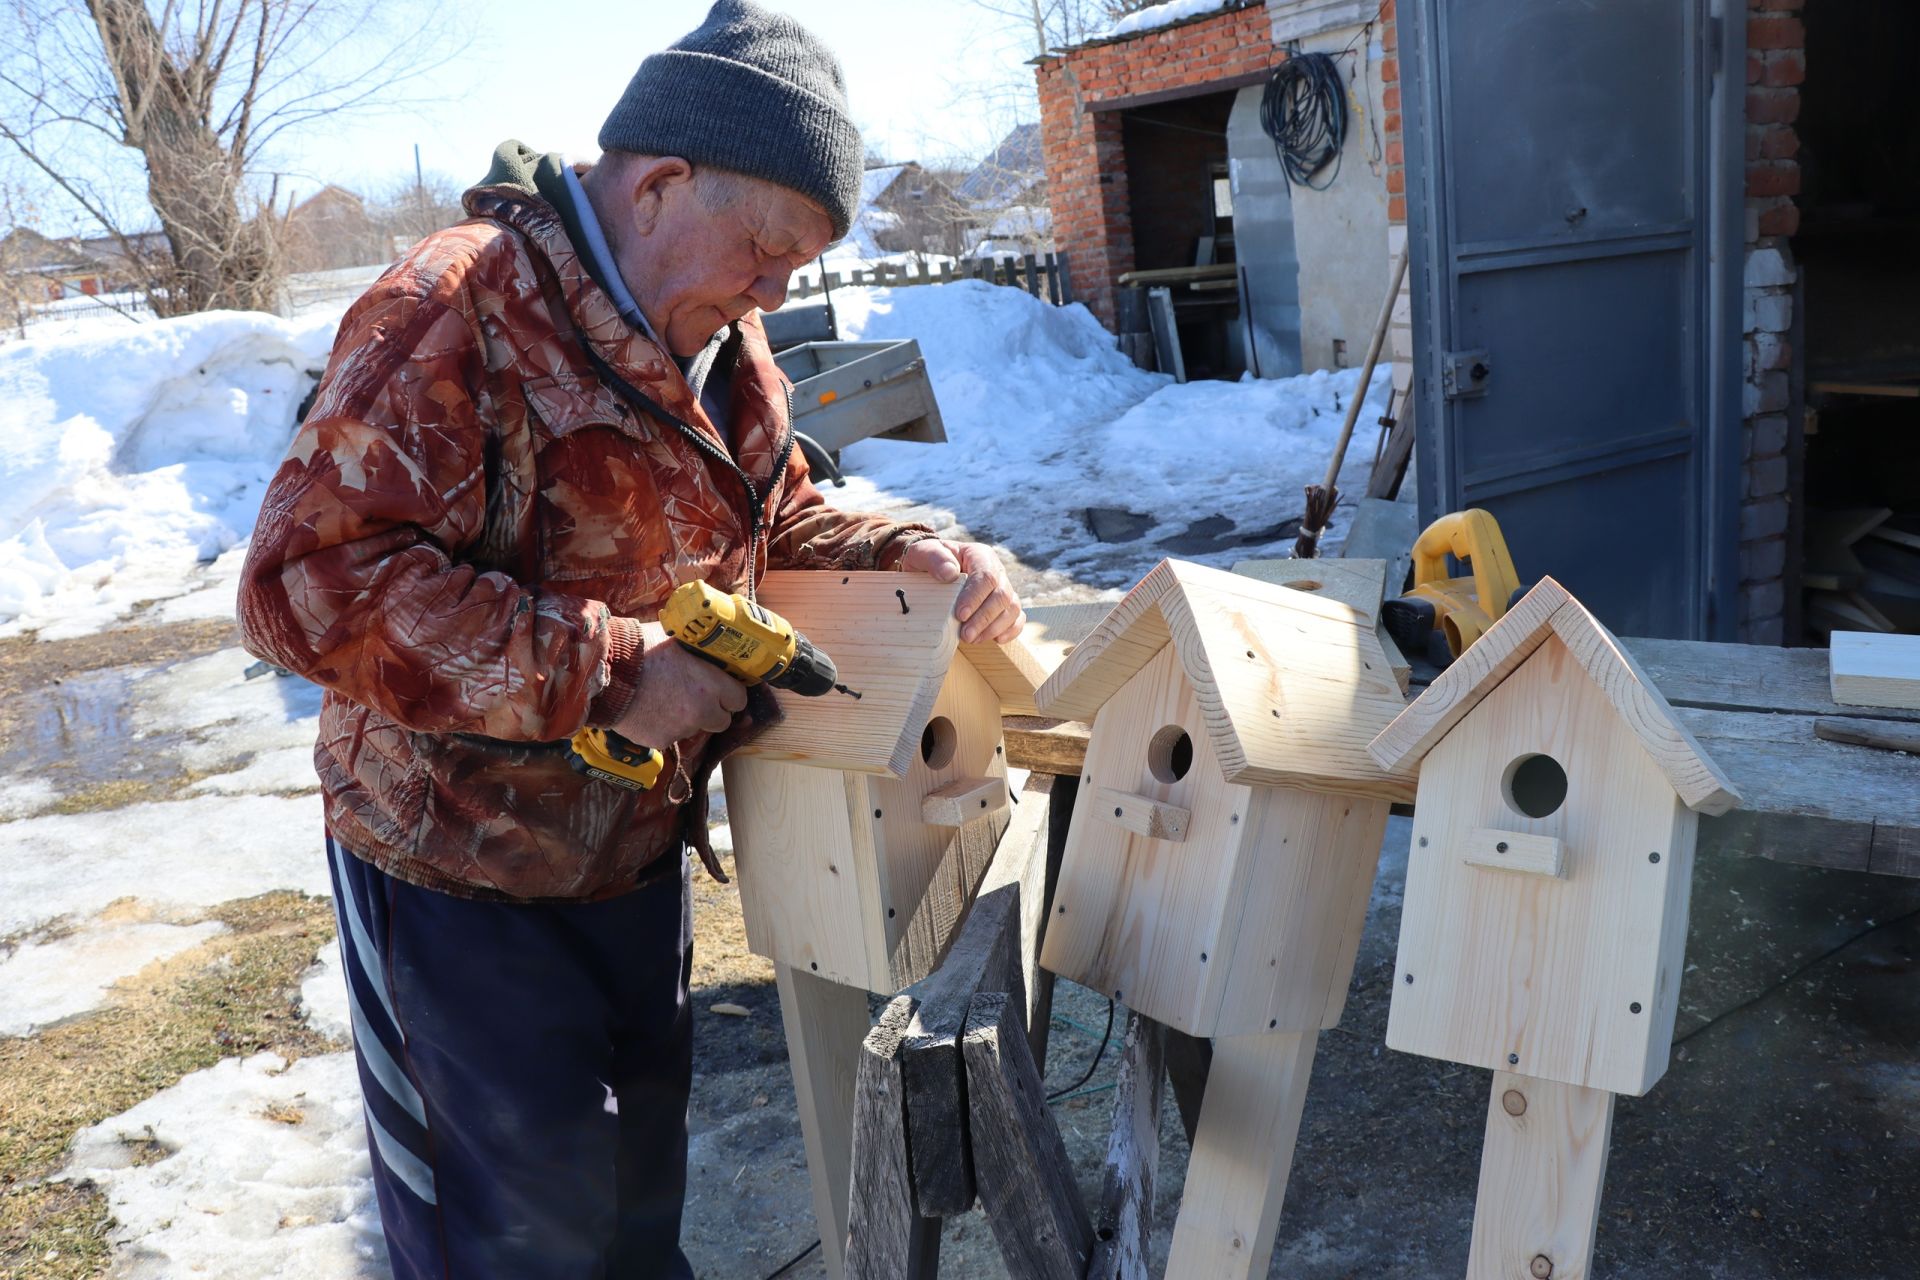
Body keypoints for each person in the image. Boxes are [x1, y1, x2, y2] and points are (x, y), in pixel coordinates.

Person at [236, 3, 1022, 1274]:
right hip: (456, 885)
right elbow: (306, 581)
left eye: (797, 267)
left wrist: (906, 555)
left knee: (636, 1221)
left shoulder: (722, 342)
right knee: (513, 1241)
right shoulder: (458, 306)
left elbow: (776, 517)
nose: (777, 292)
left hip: (631, 862)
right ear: (659, 183)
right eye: (768, 252)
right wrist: (606, 672)